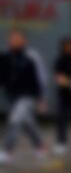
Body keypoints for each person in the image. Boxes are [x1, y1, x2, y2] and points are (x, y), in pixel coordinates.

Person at [0, 29, 48, 163]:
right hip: (12, 96)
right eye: (11, 38)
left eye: (17, 38)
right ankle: (40, 146)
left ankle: (7, 151)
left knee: (14, 120)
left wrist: (40, 98)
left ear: (24, 40)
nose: (13, 40)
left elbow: (38, 79)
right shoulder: (5, 57)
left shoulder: (30, 57)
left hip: (27, 96)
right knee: (28, 123)